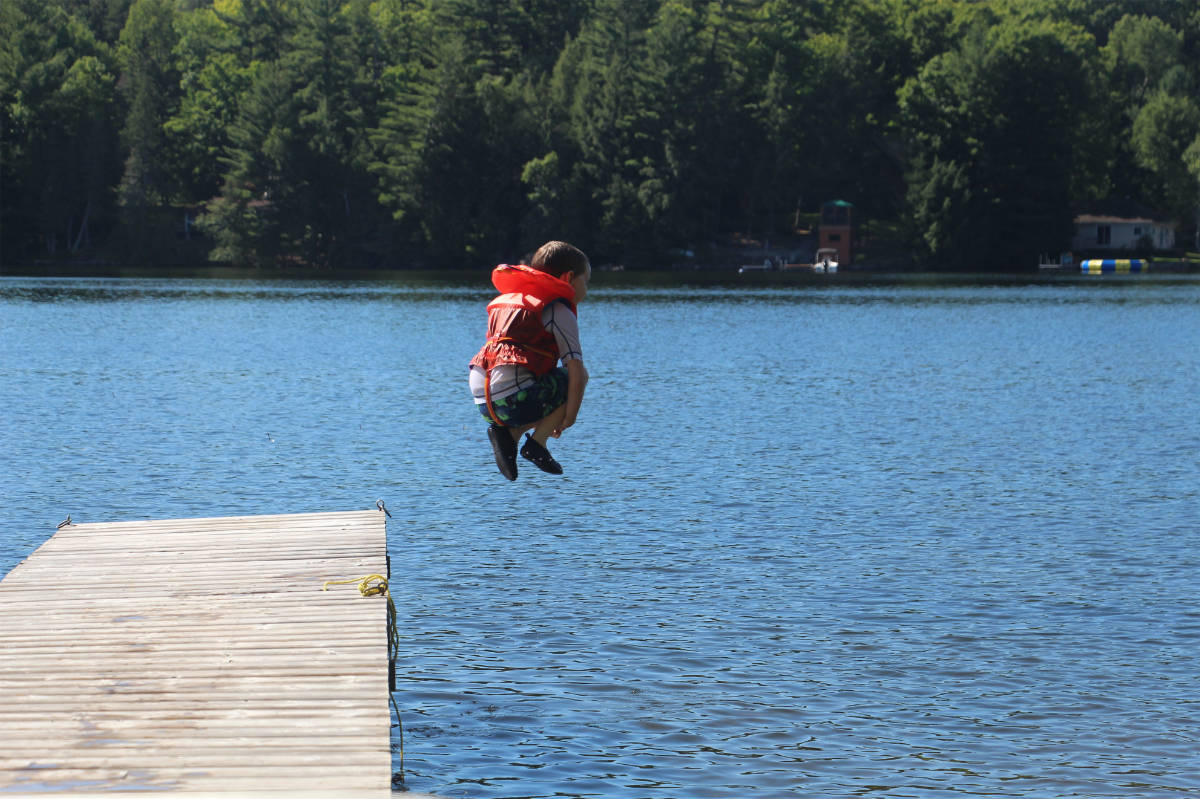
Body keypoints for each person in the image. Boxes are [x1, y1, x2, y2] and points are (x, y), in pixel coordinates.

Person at [469, 241, 591, 480]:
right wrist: (570, 418)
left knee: (545, 386)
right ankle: (537, 443)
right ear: (569, 278)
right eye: (586, 282)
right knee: (577, 379)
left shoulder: (512, 299)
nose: (587, 290)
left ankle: (509, 436)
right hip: (513, 398)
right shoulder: (558, 309)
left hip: (483, 402)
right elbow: (575, 369)